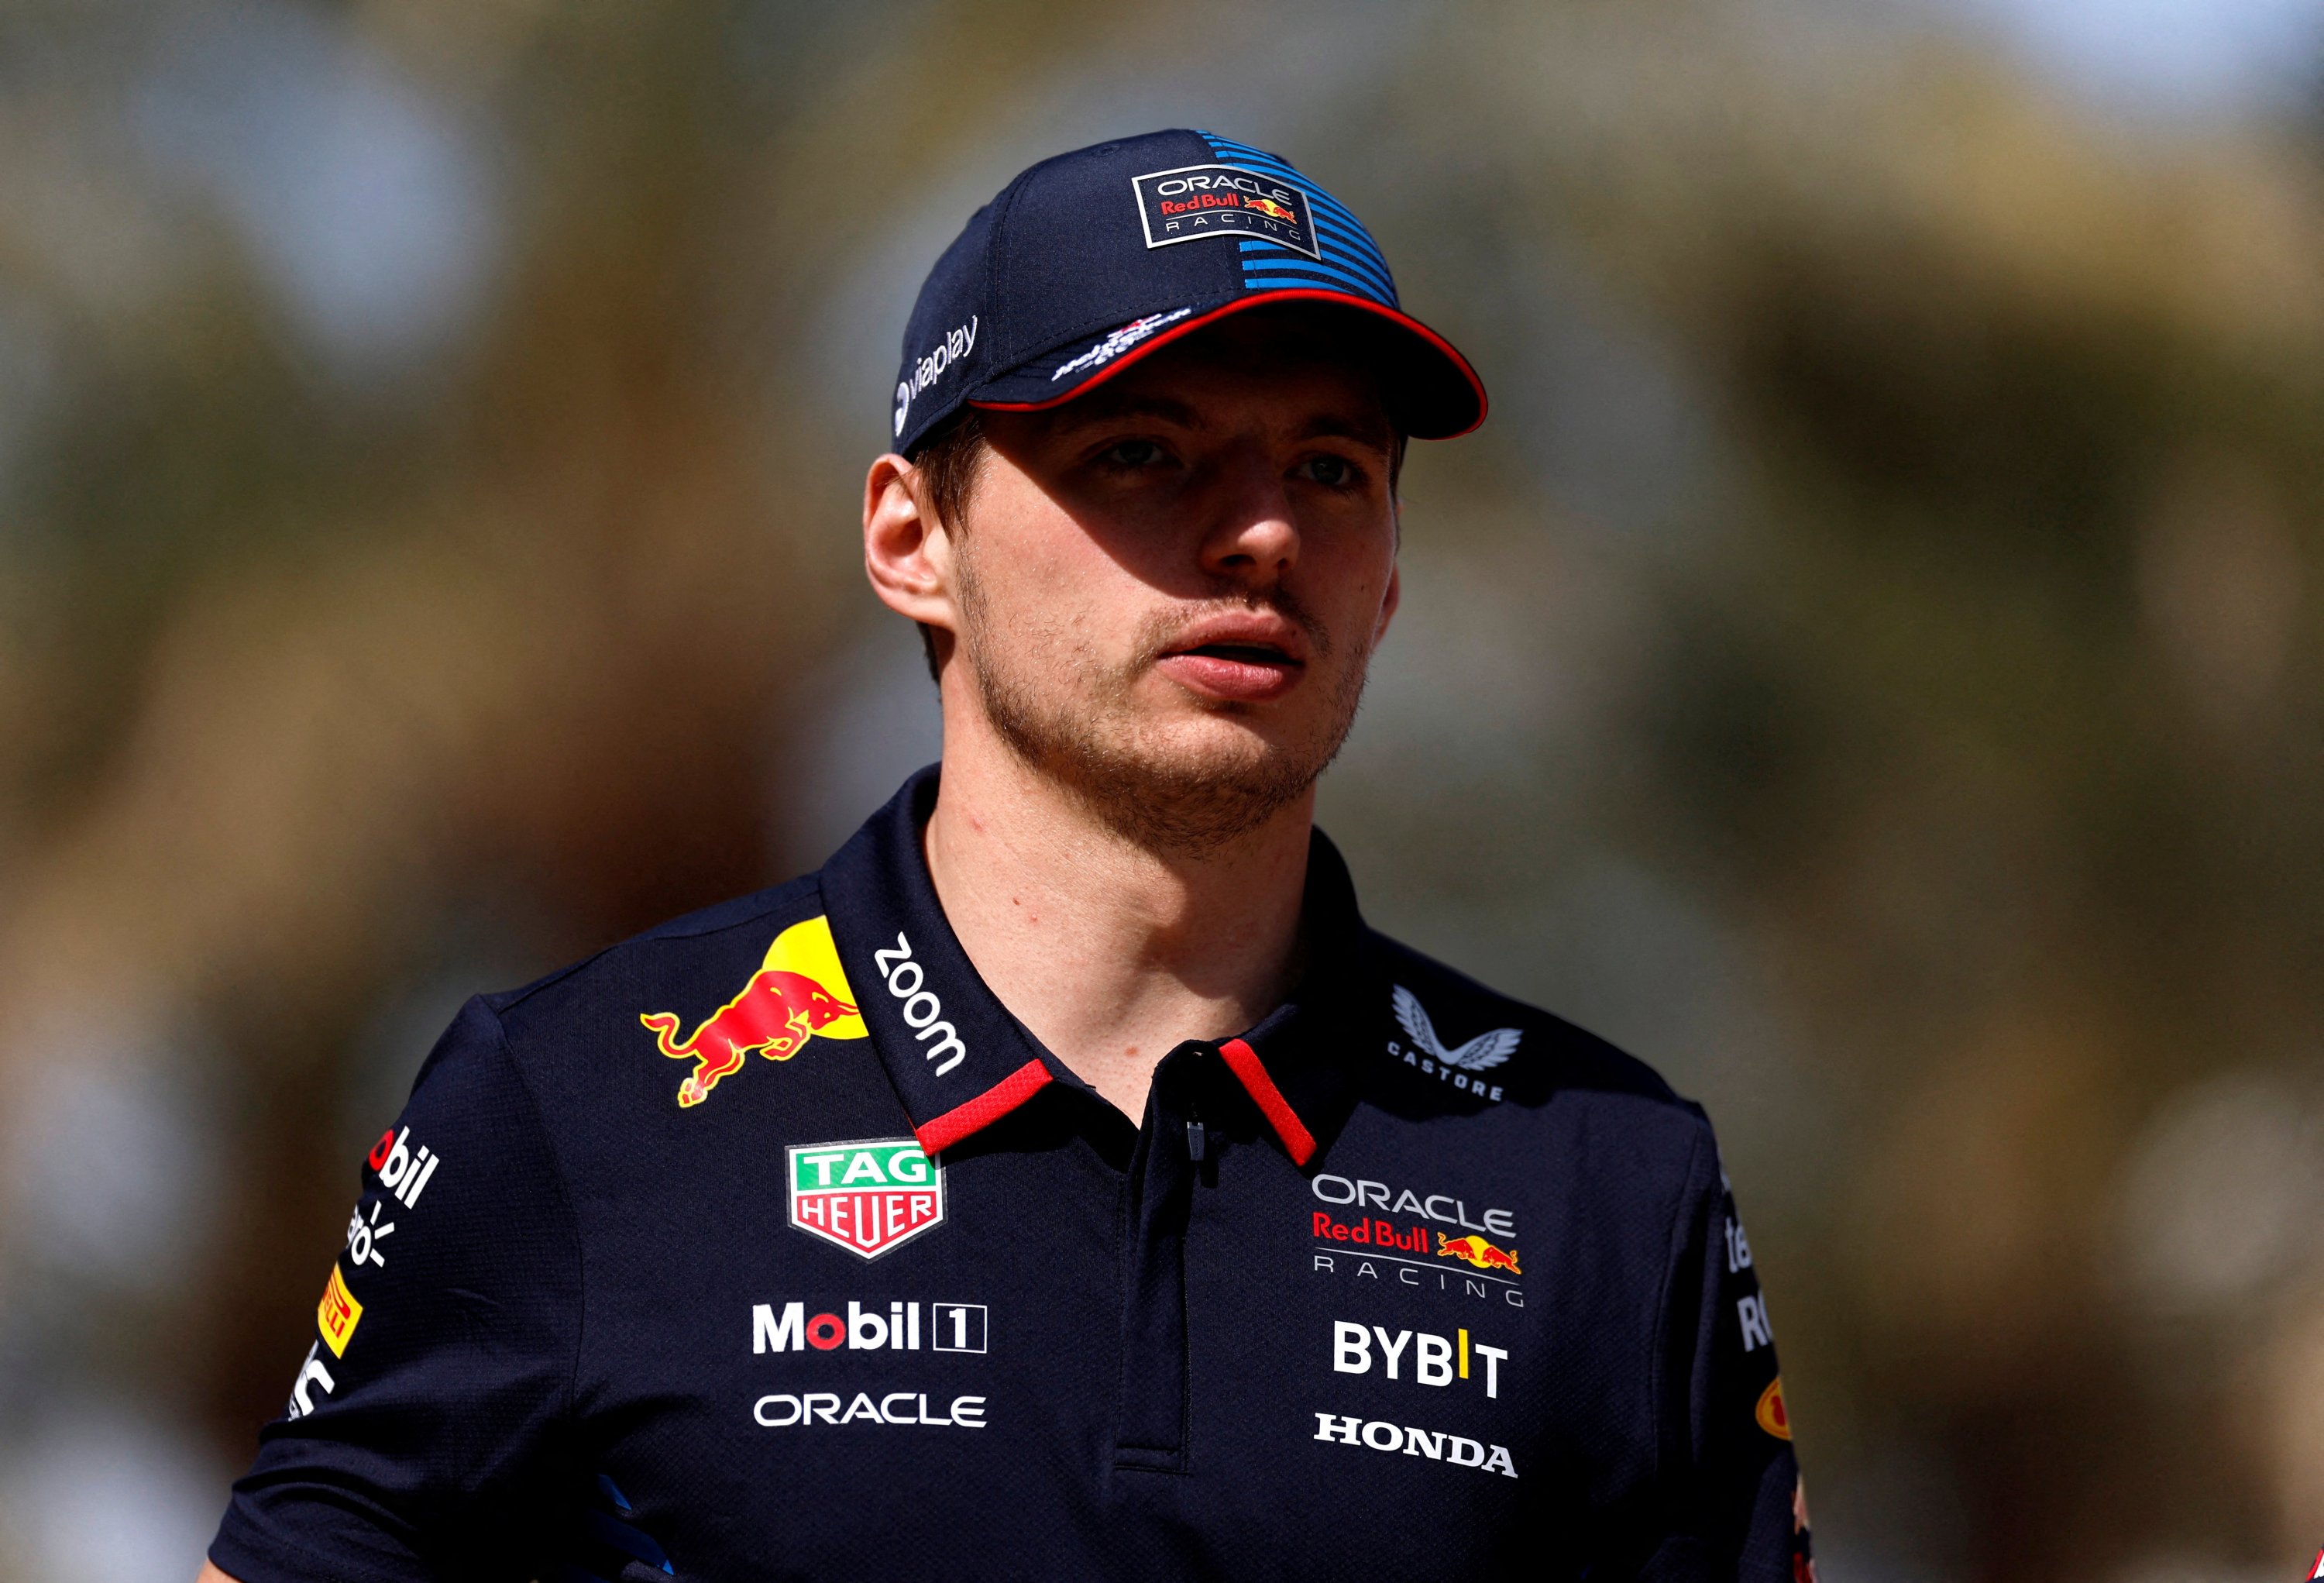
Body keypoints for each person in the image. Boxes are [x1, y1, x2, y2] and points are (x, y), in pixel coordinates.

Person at [199, 129, 1811, 1582]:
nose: (1261, 530)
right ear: (915, 539)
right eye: (1143, 450)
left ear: (1387, 580)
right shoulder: (577, 1104)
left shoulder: (1604, 1172)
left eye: (1330, 468)